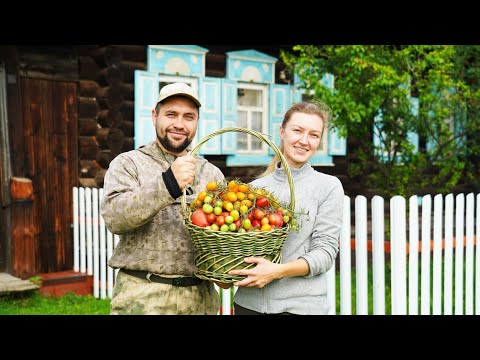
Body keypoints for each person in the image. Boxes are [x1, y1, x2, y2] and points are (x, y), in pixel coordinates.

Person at [100, 82, 225, 315]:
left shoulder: (211, 174)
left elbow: (221, 235)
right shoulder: (129, 164)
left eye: (189, 116)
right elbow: (115, 218)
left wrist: (224, 269)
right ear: (155, 116)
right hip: (142, 297)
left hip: (200, 300)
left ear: (197, 122)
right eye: (171, 114)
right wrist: (168, 183)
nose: (179, 124)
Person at [228, 101, 345, 315]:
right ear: (282, 132)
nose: (304, 141)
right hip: (248, 305)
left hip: (300, 307)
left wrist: (277, 272)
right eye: (297, 131)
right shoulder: (255, 189)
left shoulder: (328, 187)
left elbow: (325, 253)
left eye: (313, 135)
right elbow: (241, 245)